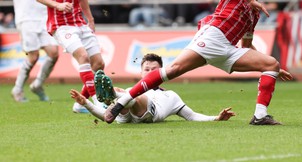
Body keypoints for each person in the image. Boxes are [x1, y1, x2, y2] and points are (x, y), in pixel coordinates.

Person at [103, 0, 293, 125]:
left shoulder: (256, 12)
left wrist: (268, 66)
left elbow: (246, 45)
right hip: (213, 36)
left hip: (227, 49)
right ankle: (122, 102)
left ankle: (260, 117)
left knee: (271, 63)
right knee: (173, 70)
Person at [35, 0, 105, 112]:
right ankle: (97, 102)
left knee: (99, 63)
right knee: (83, 56)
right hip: (60, 24)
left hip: (79, 22)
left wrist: (89, 18)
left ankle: (79, 104)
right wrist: (57, 5)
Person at [70, 53, 236, 123]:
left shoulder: (171, 96)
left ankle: (113, 93)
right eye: (146, 70)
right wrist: (85, 103)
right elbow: (105, 116)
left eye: (154, 70)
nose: (149, 73)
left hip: (148, 109)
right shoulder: (131, 89)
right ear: (141, 73)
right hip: (124, 114)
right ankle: (113, 95)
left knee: (131, 96)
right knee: (128, 95)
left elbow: (192, 116)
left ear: (162, 73)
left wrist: (215, 118)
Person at [0, 0, 59, 102]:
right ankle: (17, 89)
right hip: (25, 19)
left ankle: (38, 84)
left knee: (54, 53)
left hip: (44, 18)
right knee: (33, 57)